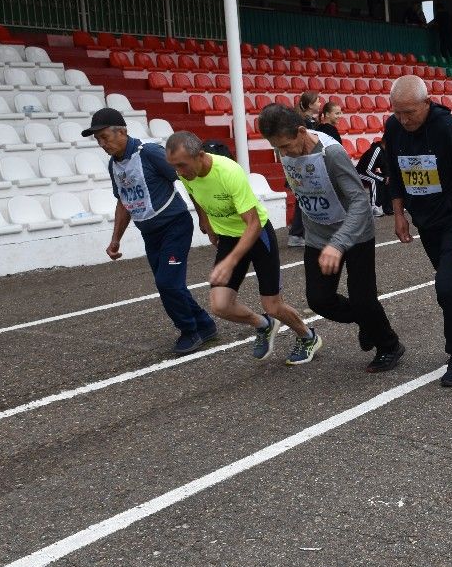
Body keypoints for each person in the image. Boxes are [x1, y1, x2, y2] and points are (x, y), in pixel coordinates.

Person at [257, 105, 404, 373]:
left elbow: (359, 200)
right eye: (278, 148)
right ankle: (367, 322)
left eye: (287, 146)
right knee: (319, 300)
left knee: (363, 298)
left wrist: (338, 244)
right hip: (319, 234)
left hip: (355, 232)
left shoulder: (331, 153)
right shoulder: (288, 151)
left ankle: (389, 345)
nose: (284, 153)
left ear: (302, 131)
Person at [165, 131, 322, 365]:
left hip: (257, 236)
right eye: (174, 166)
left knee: (273, 305)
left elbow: (253, 224)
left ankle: (308, 337)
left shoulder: (229, 173)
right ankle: (263, 324)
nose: (178, 172)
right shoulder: (188, 172)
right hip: (228, 237)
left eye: (181, 165)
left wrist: (230, 261)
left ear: (200, 155)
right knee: (220, 305)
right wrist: (205, 221)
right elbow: (194, 193)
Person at [385, 75, 452, 387]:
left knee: (446, 287)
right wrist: (399, 214)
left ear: (427, 103)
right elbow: (394, 170)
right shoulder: (394, 128)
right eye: (398, 113)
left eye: (411, 113)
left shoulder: (449, 129)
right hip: (426, 220)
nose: (405, 120)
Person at [86, 108, 216, 355]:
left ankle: (190, 330)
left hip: (174, 225)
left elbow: (188, 178)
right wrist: (116, 239)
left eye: (105, 137)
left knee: (167, 282)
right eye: (98, 140)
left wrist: (203, 217)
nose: (102, 144)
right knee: (170, 284)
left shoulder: (150, 153)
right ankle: (205, 325)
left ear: (122, 131)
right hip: (150, 232)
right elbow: (123, 201)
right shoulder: (115, 164)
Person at [288, 93, 324, 247]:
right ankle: (296, 234)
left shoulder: (311, 121)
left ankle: (301, 232)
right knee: (304, 200)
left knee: (306, 199)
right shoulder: (303, 123)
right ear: (310, 105)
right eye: (318, 101)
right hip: (302, 165)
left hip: (307, 164)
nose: (320, 103)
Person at [356, 138, 392, 216]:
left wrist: (387, 176)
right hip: (359, 173)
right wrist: (382, 178)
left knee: (389, 179)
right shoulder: (377, 149)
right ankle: (374, 208)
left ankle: (388, 208)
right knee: (373, 180)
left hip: (369, 172)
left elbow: (386, 167)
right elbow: (367, 170)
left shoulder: (385, 151)